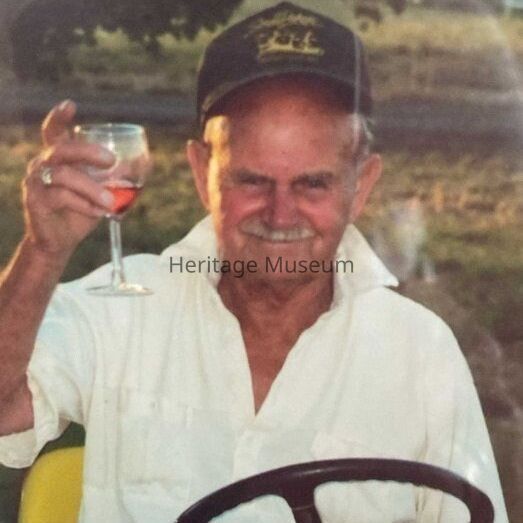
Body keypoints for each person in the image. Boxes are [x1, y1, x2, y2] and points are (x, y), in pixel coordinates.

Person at [0, 2, 509, 522]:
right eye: (252, 181)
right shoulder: (123, 307)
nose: (280, 214)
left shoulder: (421, 353)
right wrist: (42, 253)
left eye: (313, 184)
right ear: (202, 173)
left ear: (361, 187)